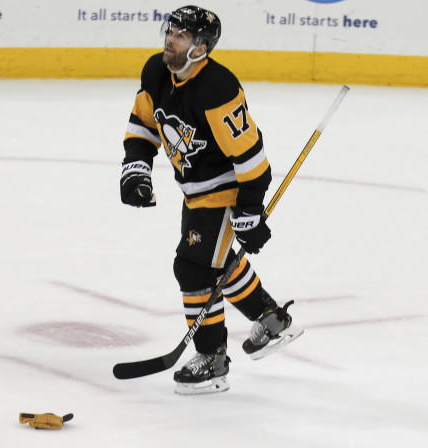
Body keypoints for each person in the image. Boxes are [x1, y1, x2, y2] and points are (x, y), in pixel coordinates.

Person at [119, 5, 303, 395]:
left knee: (192, 269)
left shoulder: (217, 88)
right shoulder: (156, 71)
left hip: (226, 190)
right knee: (215, 265)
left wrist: (250, 211)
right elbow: (143, 126)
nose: (170, 39)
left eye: (181, 36)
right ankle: (269, 319)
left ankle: (212, 359)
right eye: (170, 31)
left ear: (200, 48)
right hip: (195, 193)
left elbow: (251, 156)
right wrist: (137, 167)